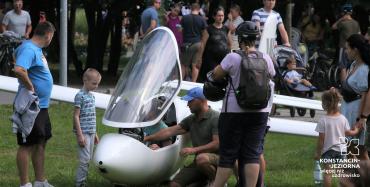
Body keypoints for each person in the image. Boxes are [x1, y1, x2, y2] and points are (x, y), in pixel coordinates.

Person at [210, 21, 275, 187]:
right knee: (252, 154)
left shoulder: (233, 57)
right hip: (259, 112)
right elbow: (272, 75)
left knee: (228, 155)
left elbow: (216, 75)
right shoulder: (266, 58)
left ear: (241, 39)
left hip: (233, 112)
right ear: (255, 39)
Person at [144, 87, 220, 186]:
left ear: (200, 101)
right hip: (199, 162)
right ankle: (204, 180)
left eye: (190, 101)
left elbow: (216, 144)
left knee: (201, 159)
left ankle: (217, 181)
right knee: (174, 185)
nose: (188, 105)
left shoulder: (216, 117)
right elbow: (168, 131)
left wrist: (193, 150)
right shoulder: (191, 119)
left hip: (220, 160)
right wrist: (147, 138)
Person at [13, 21, 55, 187]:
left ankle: (40, 181)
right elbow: (19, 69)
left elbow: (15, 57)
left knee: (40, 142)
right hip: (31, 106)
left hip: (42, 106)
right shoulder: (29, 49)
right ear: (48, 35)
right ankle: (25, 184)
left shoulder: (34, 49)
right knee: (27, 145)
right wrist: (30, 87)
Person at [314, 88, 362, 187]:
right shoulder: (343, 119)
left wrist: (318, 153)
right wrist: (357, 130)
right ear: (337, 103)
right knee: (341, 173)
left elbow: (321, 140)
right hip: (341, 150)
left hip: (328, 151)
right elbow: (349, 133)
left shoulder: (323, 121)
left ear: (324, 104)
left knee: (328, 173)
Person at [340, 34, 369, 161]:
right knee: (350, 150)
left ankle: (364, 179)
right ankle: (353, 179)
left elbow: (365, 95)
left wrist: (361, 118)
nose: (346, 51)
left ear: (355, 49)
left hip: (355, 112)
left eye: (347, 48)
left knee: (360, 153)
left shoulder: (364, 69)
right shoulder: (353, 65)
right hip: (347, 109)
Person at [73, 68, 101, 187]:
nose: (96, 86)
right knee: (84, 160)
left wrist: (95, 133)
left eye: (98, 84)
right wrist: (80, 135)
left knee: (88, 158)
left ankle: (83, 182)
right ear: (85, 80)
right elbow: (76, 116)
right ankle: (80, 183)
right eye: (94, 83)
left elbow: (91, 116)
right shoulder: (80, 96)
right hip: (83, 133)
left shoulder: (92, 97)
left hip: (90, 132)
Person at [197, 6, 231, 83]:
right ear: (214, 16)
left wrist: (229, 56)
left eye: (222, 15)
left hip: (222, 60)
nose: (221, 17)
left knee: (221, 80)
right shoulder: (208, 29)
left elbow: (229, 44)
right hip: (210, 60)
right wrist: (199, 59)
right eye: (219, 15)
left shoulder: (226, 29)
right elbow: (203, 45)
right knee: (209, 79)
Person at [331, 3, 361, 82]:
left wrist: (341, 19)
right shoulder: (356, 23)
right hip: (355, 48)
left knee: (343, 67)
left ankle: (343, 86)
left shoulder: (343, 23)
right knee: (352, 66)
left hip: (344, 47)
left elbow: (333, 27)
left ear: (343, 12)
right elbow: (359, 35)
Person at [180, 3, 207, 82]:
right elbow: (205, 33)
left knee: (184, 65)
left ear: (191, 9)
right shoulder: (202, 19)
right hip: (198, 44)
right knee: (195, 65)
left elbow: (180, 30)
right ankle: (193, 82)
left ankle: (181, 82)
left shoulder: (185, 18)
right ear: (199, 10)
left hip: (187, 44)